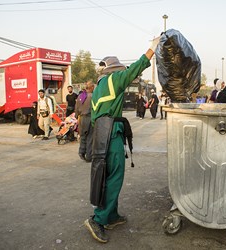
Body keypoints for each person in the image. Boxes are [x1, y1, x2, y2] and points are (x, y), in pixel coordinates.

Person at [84, 36, 160, 243]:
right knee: (115, 176)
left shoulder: (98, 88)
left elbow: (92, 119)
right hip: (112, 133)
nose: (121, 74)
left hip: (101, 133)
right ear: (113, 70)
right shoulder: (113, 81)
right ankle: (99, 219)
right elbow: (135, 69)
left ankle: (111, 215)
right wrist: (151, 50)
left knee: (105, 175)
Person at [75, 81, 94, 162]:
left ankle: (81, 152)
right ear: (92, 87)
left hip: (81, 118)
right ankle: (89, 156)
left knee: (83, 136)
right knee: (90, 137)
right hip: (89, 118)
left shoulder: (80, 96)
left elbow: (76, 109)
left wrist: (76, 117)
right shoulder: (92, 96)